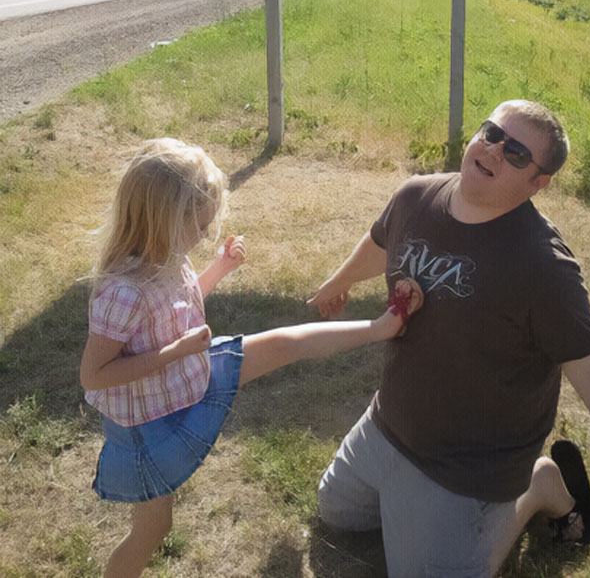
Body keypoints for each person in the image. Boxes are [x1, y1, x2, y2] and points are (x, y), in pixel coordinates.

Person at [310, 100, 590, 577]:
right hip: (386, 424)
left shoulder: (543, 267)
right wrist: (339, 282)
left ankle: (539, 486)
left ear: (538, 183)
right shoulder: (416, 196)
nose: (494, 150)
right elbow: (383, 241)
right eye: (491, 133)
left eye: (516, 153)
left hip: (469, 465)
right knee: (336, 513)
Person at [80, 137, 422, 578]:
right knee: (153, 529)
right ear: (161, 217)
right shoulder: (121, 292)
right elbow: (94, 376)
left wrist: (217, 271)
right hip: (152, 420)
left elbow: (172, 308)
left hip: (187, 375)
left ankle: (379, 328)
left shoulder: (169, 255)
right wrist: (176, 351)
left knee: (284, 344)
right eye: (199, 227)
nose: (204, 236)